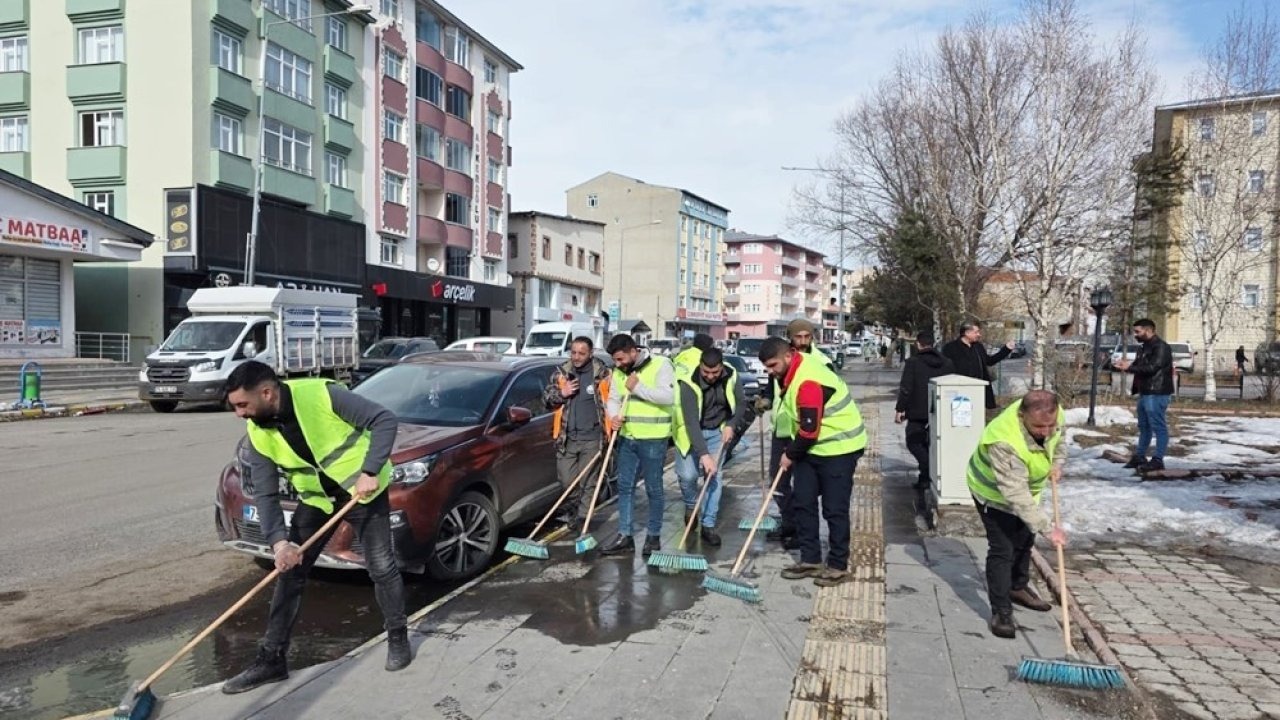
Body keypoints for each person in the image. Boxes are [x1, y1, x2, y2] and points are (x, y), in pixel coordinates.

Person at [221, 361, 410, 694]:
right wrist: (280, 544)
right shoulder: (257, 430)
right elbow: (265, 492)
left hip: (361, 491)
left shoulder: (323, 395)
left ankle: (397, 637)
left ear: (267, 393)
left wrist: (370, 470)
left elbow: (383, 420)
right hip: (318, 499)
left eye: (242, 405)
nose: (239, 414)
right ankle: (272, 660)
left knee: (381, 567)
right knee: (289, 572)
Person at [759, 337, 866, 586]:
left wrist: (789, 454)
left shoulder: (808, 379)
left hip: (840, 447)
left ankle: (838, 565)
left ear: (789, 355)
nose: (770, 372)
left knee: (834, 508)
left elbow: (809, 430)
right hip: (813, 448)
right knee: (803, 501)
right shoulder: (790, 371)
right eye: (767, 368)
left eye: (773, 366)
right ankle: (810, 559)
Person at [967, 390, 1068, 639]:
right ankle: (1001, 611)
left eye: (1049, 425)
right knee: (1003, 548)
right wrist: (1047, 527)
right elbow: (1014, 494)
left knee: (1024, 538)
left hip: (1027, 491)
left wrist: (1057, 463)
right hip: (992, 493)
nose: (1045, 431)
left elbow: (1060, 440)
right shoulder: (1004, 440)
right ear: (1022, 416)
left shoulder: (1055, 414)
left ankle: (1018, 587)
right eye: (1038, 426)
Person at [754, 319, 837, 547]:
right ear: (790, 339)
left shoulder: (821, 362)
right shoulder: (779, 360)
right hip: (783, 428)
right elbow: (774, 390)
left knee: (805, 487)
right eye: (797, 337)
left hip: (808, 434)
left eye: (806, 337)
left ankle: (803, 530)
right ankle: (790, 523)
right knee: (778, 481)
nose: (802, 341)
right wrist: (765, 401)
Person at [602, 333, 675, 557]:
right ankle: (625, 535)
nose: (618, 364)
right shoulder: (618, 372)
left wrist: (638, 388)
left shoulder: (661, 364)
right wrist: (613, 416)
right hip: (627, 437)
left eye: (621, 359)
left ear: (634, 351)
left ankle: (653, 537)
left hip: (653, 438)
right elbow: (613, 399)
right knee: (625, 487)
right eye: (615, 360)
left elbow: (668, 396)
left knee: (653, 488)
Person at [673, 348, 751, 546]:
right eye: (705, 372)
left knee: (713, 477)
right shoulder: (688, 383)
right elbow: (691, 422)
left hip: (718, 432)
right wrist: (704, 455)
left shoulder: (731, 375)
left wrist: (731, 425)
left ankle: (708, 525)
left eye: (714, 373)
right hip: (690, 434)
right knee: (688, 476)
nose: (709, 376)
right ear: (700, 366)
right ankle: (691, 506)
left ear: (721, 367)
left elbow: (741, 403)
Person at [544, 336, 612, 525]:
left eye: (581, 353)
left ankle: (583, 520)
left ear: (590, 354)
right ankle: (575, 507)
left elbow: (613, 401)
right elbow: (546, 400)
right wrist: (562, 393)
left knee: (588, 482)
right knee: (567, 481)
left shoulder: (603, 374)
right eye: (573, 352)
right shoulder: (561, 374)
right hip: (567, 439)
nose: (576, 357)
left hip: (592, 438)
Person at [894, 331, 955, 489]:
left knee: (913, 442)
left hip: (917, 410)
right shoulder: (947, 362)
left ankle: (928, 469)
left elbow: (906, 388)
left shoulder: (913, 362)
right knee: (932, 443)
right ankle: (925, 479)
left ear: (918, 344)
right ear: (933, 344)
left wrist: (900, 409)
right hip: (940, 409)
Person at [1113, 319, 1174, 472]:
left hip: (1157, 392)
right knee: (1144, 426)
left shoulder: (1161, 347)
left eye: (1138, 331)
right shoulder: (1144, 347)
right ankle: (1140, 456)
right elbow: (1142, 367)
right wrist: (1127, 366)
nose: (1135, 335)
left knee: (1158, 426)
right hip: (1145, 391)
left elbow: (1153, 367)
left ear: (1148, 330)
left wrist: (1130, 367)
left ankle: (1158, 459)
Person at [941, 321, 1015, 410]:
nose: (979, 334)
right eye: (976, 332)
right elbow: (945, 370)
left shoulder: (978, 347)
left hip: (979, 389)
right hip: (960, 392)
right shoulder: (950, 348)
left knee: (978, 418)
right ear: (967, 333)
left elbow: (989, 361)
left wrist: (1006, 350)